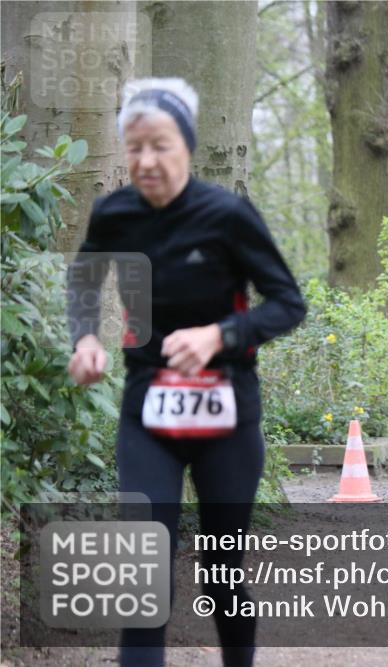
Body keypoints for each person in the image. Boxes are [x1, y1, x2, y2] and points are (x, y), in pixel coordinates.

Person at [66, 78, 305, 667]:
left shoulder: (227, 215)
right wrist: (86, 338)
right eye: (135, 146)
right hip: (148, 411)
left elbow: (287, 303)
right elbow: (84, 280)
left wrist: (219, 336)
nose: (146, 161)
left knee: (221, 579)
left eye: (161, 145)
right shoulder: (114, 214)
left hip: (228, 414)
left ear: (188, 147)